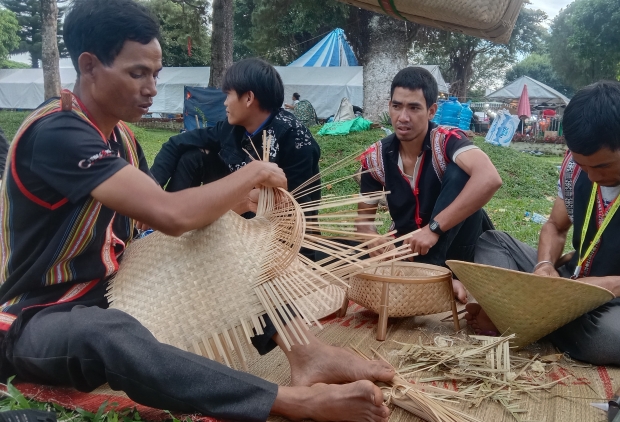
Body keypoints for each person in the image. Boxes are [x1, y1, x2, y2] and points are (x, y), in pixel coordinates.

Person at [0, 2, 394, 422]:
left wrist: (238, 214)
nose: (151, 87)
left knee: (223, 238)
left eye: (155, 74)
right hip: (38, 316)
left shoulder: (123, 139)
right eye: (137, 73)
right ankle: (287, 401)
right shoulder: (57, 131)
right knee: (107, 334)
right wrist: (254, 174)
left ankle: (306, 352)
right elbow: (169, 214)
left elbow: (154, 224)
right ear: (90, 65)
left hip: (115, 288)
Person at [466, 81, 620, 366]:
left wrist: (610, 285)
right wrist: (544, 265)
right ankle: (531, 314)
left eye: (602, 166)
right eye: (583, 166)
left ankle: (516, 315)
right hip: (574, 280)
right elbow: (556, 227)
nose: (591, 176)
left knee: (615, 343)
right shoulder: (575, 167)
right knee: (493, 241)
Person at [357, 67, 503, 303]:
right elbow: (363, 222)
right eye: (397, 106)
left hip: (460, 250)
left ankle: (437, 274)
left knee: (461, 172)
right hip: (410, 251)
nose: (403, 117)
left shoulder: (446, 140)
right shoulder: (375, 158)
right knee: (341, 256)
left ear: (431, 111)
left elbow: (490, 178)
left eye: (414, 108)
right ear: (389, 107)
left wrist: (433, 229)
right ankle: (434, 277)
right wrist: (373, 238)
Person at [150, 60, 320, 219]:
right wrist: (154, 185)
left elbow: (300, 207)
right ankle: (166, 220)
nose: (225, 103)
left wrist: (258, 197)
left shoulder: (296, 139)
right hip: (235, 204)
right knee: (192, 157)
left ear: (248, 98)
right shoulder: (232, 128)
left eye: (228, 95)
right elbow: (177, 143)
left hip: (268, 228)